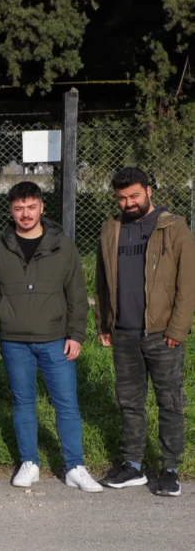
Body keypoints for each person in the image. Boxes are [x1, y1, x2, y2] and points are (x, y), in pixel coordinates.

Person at [0, 181, 101, 492]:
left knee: (67, 404)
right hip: (14, 340)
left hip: (56, 338)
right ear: (10, 210)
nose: (25, 214)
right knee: (23, 403)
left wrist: (76, 334)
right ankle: (29, 462)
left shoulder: (63, 246)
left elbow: (77, 294)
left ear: (42, 208)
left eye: (31, 207)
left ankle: (75, 466)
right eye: (19, 208)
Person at [95, 168, 195, 497]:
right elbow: (102, 278)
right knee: (129, 403)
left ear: (149, 190)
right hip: (123, 332)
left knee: (169, 403)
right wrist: (104, 323)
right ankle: (133, 466)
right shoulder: (111, 229)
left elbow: (187, 285)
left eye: (134, 196)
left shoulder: (174, 228)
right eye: (122, 198)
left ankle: (169, 470)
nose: (129, 203)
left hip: (163, 333)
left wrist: (178, 328)